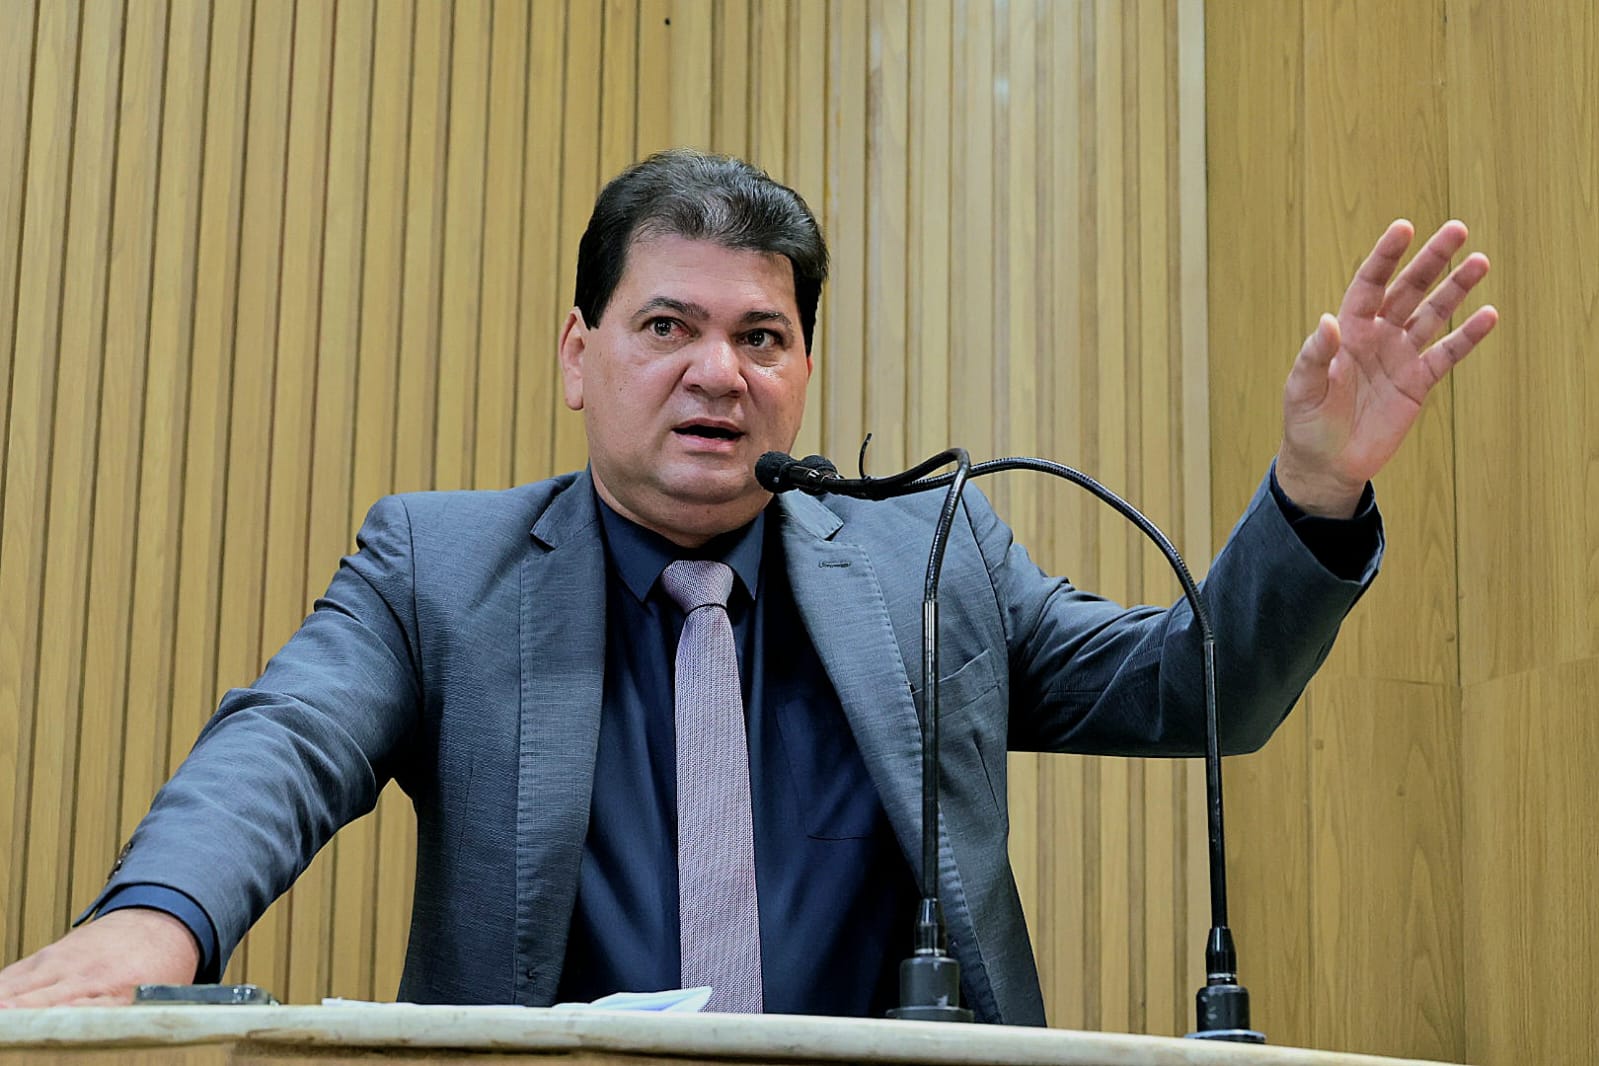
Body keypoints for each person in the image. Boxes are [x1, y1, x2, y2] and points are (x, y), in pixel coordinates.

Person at [0, 151, 1496, 1020]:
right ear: (580, 355)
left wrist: (1315, 489)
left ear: (802, 368)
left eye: (761, 337)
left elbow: (1194, 690)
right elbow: (285, 742)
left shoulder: (934, 558)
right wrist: (157, 926)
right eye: (667, 325)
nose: (718, 372)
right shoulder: (438, 566)